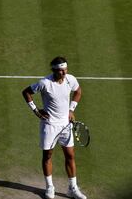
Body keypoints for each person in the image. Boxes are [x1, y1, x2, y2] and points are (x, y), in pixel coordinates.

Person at [22, 56, 87, 199]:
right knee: (47, 156)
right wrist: (36, 111)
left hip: (66, 125)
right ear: (54, 70)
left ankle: (72, 188)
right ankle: (50, 187)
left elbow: (78, 91)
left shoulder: (71, 79)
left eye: (65, 70)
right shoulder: (44, 83)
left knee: (70, 156)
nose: (63, 73)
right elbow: (26, 92)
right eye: (60, 71)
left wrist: (71, 109)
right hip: (49, 126)